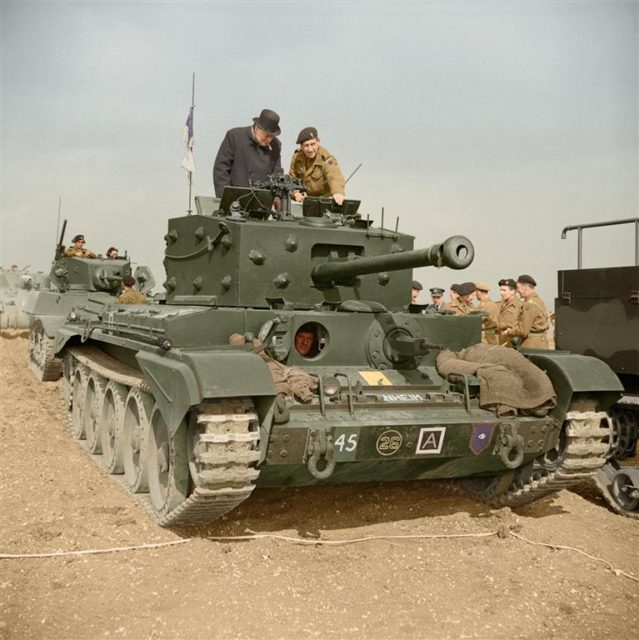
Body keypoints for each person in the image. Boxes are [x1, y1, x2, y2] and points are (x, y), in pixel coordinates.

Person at [213, 109, 282, 197]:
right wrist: (225, 197)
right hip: (234, 198)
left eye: (272, 136)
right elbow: (221, 168)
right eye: (267, 136)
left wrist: (277, 196)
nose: (269, 140)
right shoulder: (235, 136)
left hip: (262, 200)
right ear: (257, 128)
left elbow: (277, 173)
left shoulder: (276, 145)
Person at [288, 127, 346, 205]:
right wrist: (296, 193)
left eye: (313, 144)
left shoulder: (325, 157)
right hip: (307, 201)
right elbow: (292, 178)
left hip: (325, 201)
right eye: (306, 145)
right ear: (301, 146)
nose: (310, 149)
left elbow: (334, 175)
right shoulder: (297, 157)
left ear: (318, 142)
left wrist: (338, 192)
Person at [505, 274, 550, 349]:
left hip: (531, 345)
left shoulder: (529, 304)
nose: (517, 291)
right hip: (540, 343)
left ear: (525, 287)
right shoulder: (537, 300)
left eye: (518, 288)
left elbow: (523, 331)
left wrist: (509, 331)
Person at [497, 278, 522, 347]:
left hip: (512, 343)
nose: (501, 293)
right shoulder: (498, 305)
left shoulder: (521, 306)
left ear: (513, 291)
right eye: (501, 290)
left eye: (504, 290)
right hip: (499, 342)